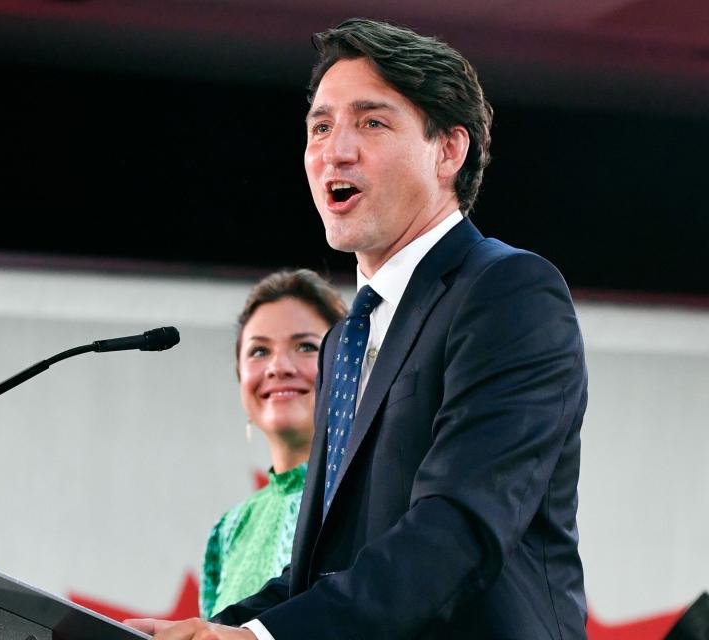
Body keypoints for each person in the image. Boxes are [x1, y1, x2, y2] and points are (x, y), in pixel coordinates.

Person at [128, 17, 588, 639]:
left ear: (448, 150)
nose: (334, 150)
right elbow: (328, 565)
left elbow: (458, 529)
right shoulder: (349, 336)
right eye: (321, 127)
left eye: (371, 122)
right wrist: (211, 630)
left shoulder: (508, 292)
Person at [200, 270, 346, 620]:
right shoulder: (229, 529)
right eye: (259, 351)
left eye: (306, 346)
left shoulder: (366, 497)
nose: (278, 367)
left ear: (347, 371)